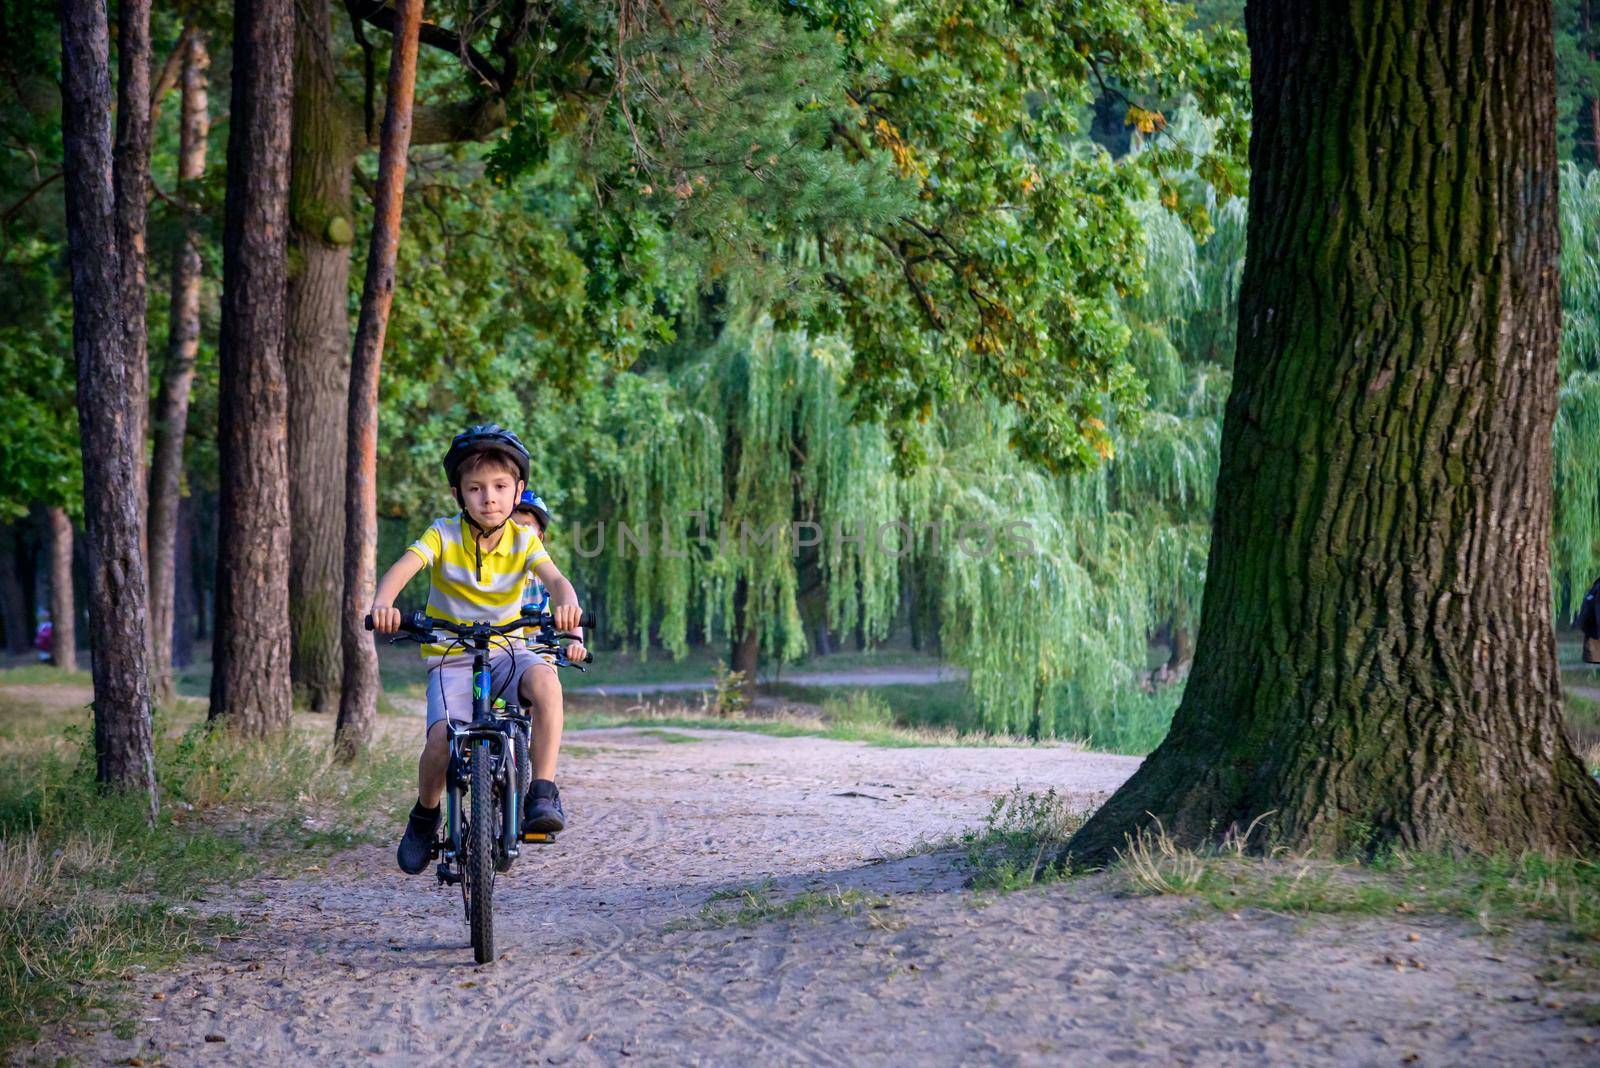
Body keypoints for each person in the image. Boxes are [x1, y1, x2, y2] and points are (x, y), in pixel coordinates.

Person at [369, 424, 588, 875]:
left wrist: (567, 604)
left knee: (547, 683)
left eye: (500, 487)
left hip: (509, 650)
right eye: (476, 488)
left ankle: (542, 790)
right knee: (439, 741)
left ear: (518, 491)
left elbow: (555, 580)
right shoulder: (442, 535)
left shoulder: (525, 540)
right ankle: (426, 815)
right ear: (459, 494)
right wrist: (383, 604)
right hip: (452, 654)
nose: (489, 497)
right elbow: (403, 568)